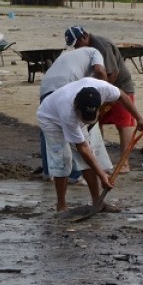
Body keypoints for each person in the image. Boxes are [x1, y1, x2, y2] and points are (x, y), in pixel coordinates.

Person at [36, 77, 143, 213]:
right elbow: (82, 148)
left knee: (88, 157)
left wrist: (139, 118)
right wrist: (102, 175)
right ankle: (61, 206)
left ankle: (98, 202)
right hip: (50, 118)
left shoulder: (104, 89)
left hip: (75, 116)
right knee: (62, 160)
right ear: (77, 107)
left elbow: (122, 95)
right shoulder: (68, 112)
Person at [66, 26, 136, 172]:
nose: (76, 49)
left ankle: (124, 164)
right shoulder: (86, 49)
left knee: (123, 125)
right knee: (96, 123)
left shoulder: (102, 46)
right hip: (99, 89)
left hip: (119, 86)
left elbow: (113, 73)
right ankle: (98, 160)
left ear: (84, 37)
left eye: (77, 45)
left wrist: (103, 97)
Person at [38, 40, 108, 182]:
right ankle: (74, 175)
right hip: (65, 89)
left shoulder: (68, 54)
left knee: (49, 133)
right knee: (74, 133)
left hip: (46, 88)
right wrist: (101, 89)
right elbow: (100, 70)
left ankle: (48, 171)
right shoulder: (95, 52)